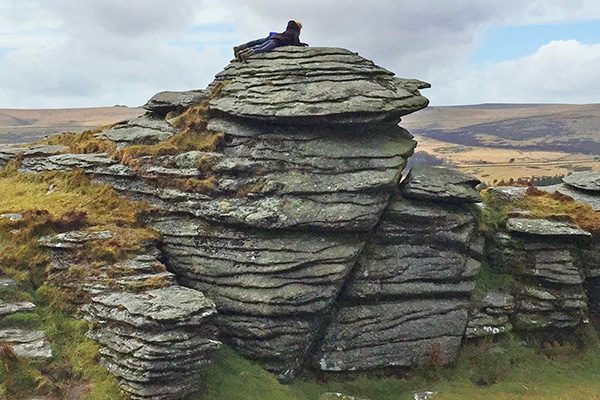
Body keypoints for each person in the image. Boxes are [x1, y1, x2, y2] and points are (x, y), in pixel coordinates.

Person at [234, 20, 308, 62]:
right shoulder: (294, 32)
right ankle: (246, 54)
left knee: (260, 46)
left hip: (273, 38)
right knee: (264, 49)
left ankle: (242, 52)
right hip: (277, 41)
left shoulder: (288, 30)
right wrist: (302, 44)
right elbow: (296, 42)